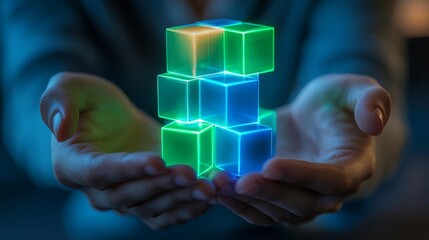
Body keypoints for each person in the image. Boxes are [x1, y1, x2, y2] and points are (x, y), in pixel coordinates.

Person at [1, 0, 407, 238]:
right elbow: (34, 85)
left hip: (306, 229)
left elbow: (362, 70)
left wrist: (359, 139)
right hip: (113, 229)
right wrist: (59, 135)